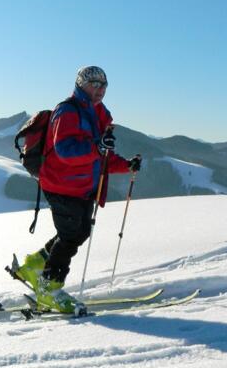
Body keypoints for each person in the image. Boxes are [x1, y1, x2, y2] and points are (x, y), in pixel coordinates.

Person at [15, 66, 141, 313]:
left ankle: (34, 265)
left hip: (82, 187)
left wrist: (126, 165)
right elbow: (64, 150)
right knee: (72, 234)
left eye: (104, 85)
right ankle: (48, 288)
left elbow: (101, 156)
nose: (100, 89)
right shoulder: (68, 111)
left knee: (78, 231)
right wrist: (97, 147)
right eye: (94, 84)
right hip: (61, 184)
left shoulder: (99, 113)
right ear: (81, 85)